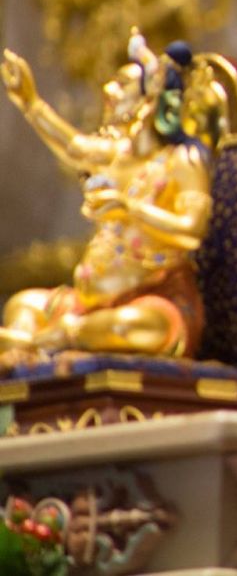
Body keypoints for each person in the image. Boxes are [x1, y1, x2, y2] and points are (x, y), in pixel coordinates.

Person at [0, 31, 211, 358]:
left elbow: (192, 229)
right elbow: (73, 147)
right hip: (87, 303)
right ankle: (42, 343)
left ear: (150, 99)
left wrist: (130, 209)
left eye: (122, 84)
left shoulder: (182, 161)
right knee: (23, 304)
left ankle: (38, 344)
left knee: (132, 327)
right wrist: (30, 102)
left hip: (151, 299)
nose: (108, 90)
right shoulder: (117, 154)